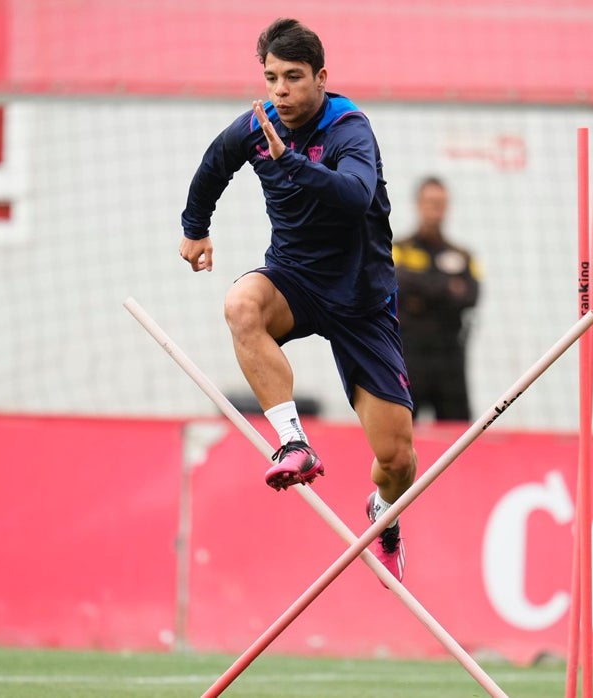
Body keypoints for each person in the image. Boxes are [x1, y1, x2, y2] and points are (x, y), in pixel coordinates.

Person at [177, 18, 414, 581]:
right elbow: (213, 165)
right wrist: (195, 228)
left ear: (320, 78)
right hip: (295, 281)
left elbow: (354, 196)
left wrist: (290, 162)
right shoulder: (256, 124)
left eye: (293, 78)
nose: (280, 91)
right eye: (271, 78)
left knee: (398, 459)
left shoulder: (350, 129)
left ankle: (383, 510)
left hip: (361, 301)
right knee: (241, 304)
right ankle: (292, 442)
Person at [392, 176, 481, 422]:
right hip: (409, 355)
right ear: (418, 204)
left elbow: (471, 296)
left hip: (449, 356)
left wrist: (419, 295)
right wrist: (447, 287)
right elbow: (395, 283)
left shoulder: (462, 255)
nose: (434, 209)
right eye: (429, 202)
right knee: (401, 430)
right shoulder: (399, 249)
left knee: (458, 432)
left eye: (440, 203)